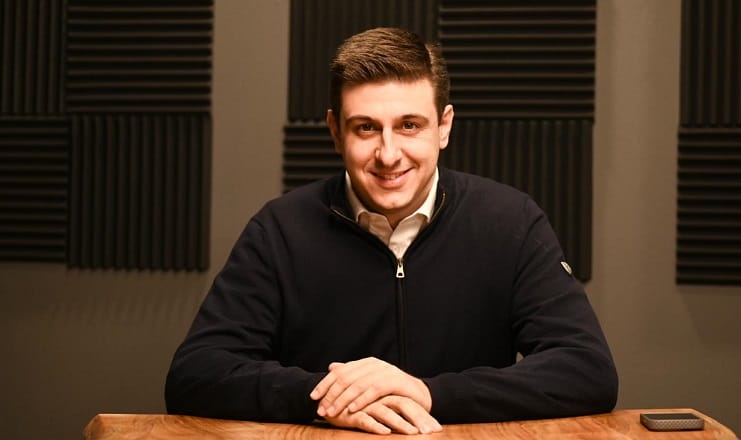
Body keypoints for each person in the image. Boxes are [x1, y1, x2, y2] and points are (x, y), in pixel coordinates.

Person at [165, 27, 618, 435]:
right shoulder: (279, 229)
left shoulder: (510, 221)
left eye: (409, 126)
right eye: (366, 128)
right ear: (335, 132)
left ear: (443, 127)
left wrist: (428, 393)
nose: (388, 154)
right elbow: (196, 373)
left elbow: (586, 370)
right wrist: (327, 398)